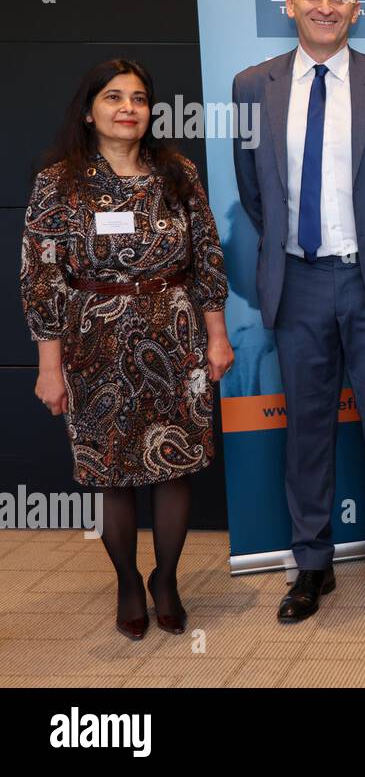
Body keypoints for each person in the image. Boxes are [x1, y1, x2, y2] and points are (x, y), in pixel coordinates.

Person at [233, 0, 365, 623]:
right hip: (300, 282)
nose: (324, 6)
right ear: (290, 4)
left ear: (355, 7)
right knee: (307, 430)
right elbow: (255, 193)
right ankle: (311, 565)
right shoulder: (252, 87)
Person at [21, 58, 232, 640]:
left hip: (177, 334)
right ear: (90, 111)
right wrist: (49, 366)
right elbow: (42, 279)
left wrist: (217, 336)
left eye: (139, 98)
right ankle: (127, 580)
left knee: (173, 465)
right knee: (111, 472)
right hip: (94, 342)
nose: (128, 108)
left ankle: (166, 578)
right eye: (114, 97)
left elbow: (208, 259)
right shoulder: (59, 182)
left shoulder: (177, 172)